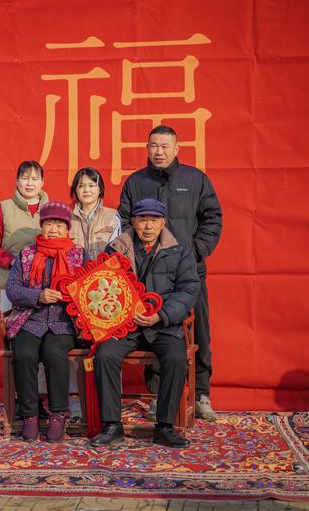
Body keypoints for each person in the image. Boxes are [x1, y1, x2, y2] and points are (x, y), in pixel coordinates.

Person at [117, 124, 222, 422]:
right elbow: (124, 221)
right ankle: (156, 396)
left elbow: (213, 218)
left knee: (198, 331)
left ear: (177, 149)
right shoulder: (136, 182)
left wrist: (195, 251)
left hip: (190, 274)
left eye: (165, 146)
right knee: (153, 331)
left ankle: (201, 394)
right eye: (154, 146)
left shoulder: (195, 179)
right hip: (147, 276)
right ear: (147, 148)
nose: (159, 151)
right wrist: (137, 256)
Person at [91, 199, 200, 448]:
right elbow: (105, 285)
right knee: (105, 355)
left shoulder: (179, 250)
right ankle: (111, 425)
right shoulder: (116, 248)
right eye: (142, 220)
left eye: (154, 220)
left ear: (163, 223)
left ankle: (164, 426)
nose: (148, 226)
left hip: (162, 325)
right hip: (126, 326)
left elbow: (188, 288)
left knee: (175, 358)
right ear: (134, 222)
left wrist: (161, 315)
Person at [5, 201, 88, 443]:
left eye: (59, 224)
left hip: (63, 321)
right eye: (49, 223)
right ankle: (30, 415)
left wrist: (71, 294)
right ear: (41, 226)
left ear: (67, 229)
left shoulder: (79, 254)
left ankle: (58, 413)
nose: (53, 228)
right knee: (24, 352)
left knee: (54, 353)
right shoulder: (27, 254)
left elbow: (90, 289)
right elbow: (13, 289)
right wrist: (38, 296)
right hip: (30, 318)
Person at [0, 161, 48, 315]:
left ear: (42, 182)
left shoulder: (51, 209)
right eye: (25, 178)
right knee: (10, 330)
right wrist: (12, 262)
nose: (30, 183)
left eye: (34, 179)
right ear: (17, 181)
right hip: (10, 280)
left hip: (43, 284)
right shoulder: (4, 208)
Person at [69, 167, 121, 259]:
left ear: (100, 189)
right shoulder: (67, 218)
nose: (86, 190)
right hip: (75, 272)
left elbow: (116, 253)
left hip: (103, 271)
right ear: (75, 190)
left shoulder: (112, 217)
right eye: (81, 186)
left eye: (91, 185)